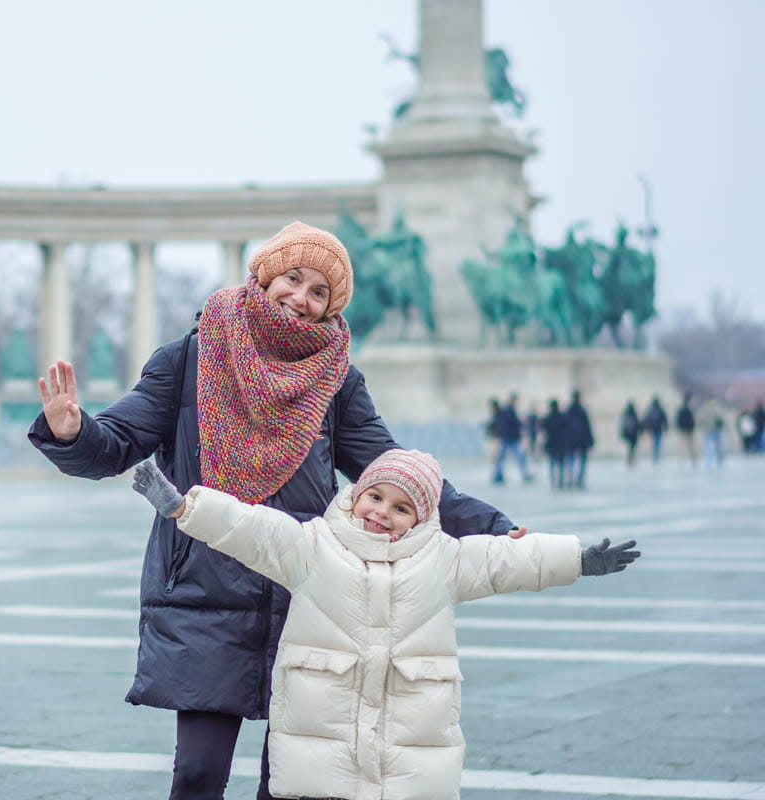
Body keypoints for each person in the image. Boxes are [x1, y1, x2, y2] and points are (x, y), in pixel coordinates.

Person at [29, 221, 524, 800]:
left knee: (290, 784)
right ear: (265, 276)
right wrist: (74, 433)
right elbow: (117, 442)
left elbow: (392, 468)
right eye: (293, 278)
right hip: (204, 592)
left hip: (308, 597)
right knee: (196, 775)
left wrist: (491, 525)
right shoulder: (188, 357)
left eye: (320, 292)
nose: (303, 299)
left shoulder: (336, 379)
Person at [131, 450, 640, 800]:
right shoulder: (313, 546)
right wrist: (182, 507)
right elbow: (248, 529)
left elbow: (507, 562)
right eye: (376, 497)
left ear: (421, 519)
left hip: (409, 756)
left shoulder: (443, 560)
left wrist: (576, 558)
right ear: (356, 496)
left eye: (402, 508)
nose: (383, 513)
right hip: (320, 751)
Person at [491, 392, 531, 484]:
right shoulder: (510, 410)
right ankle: (524, 474)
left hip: (508, 437)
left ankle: (498, 475)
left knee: (503, 458)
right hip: (511, 438)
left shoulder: (506, 410)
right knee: (518, 457)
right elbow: (513, 424)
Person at [564, 390, 594, 489]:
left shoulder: (568, 410)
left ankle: (570, 479)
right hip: (582, 441)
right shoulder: (582, 411)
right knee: (582, 461)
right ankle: (579, 480)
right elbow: (587, 427)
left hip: (570, 441)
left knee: (570, 460)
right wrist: (590, 440)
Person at [541, 398, 571, 490]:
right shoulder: (562, 417)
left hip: (551, 443)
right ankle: (560, 481)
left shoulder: (548, 418)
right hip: (561, 443)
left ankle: (553, 480)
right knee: (560, 464)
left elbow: (543, 428)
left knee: (552, 463)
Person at [641, 396, 668, 463]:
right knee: (657, 444)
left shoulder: (650, 410)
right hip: (659, 430)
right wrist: (666, 428)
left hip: (652, 430)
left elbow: (646, 420)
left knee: (653, 444)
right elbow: (664, 420)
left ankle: (654, 456)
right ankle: (656, 456)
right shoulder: (660, 410)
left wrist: (645, 429)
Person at [676, 393, 698, 467]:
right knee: (690, 446)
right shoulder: (689, 409)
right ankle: (690, 460)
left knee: (684, 447)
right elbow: (691, 420)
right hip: (688, 430)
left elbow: (678, 419)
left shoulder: (682, 408)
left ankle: (684, 460)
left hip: (684, 430)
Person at [619, 401, 641, 468]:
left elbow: (623, 425)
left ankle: (629, 459)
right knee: (632, 448)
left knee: (629, 448)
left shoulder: (626, 414)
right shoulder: (634, 413)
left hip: (628, 435)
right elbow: (637, 424)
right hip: (633, 435)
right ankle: (631, 459)